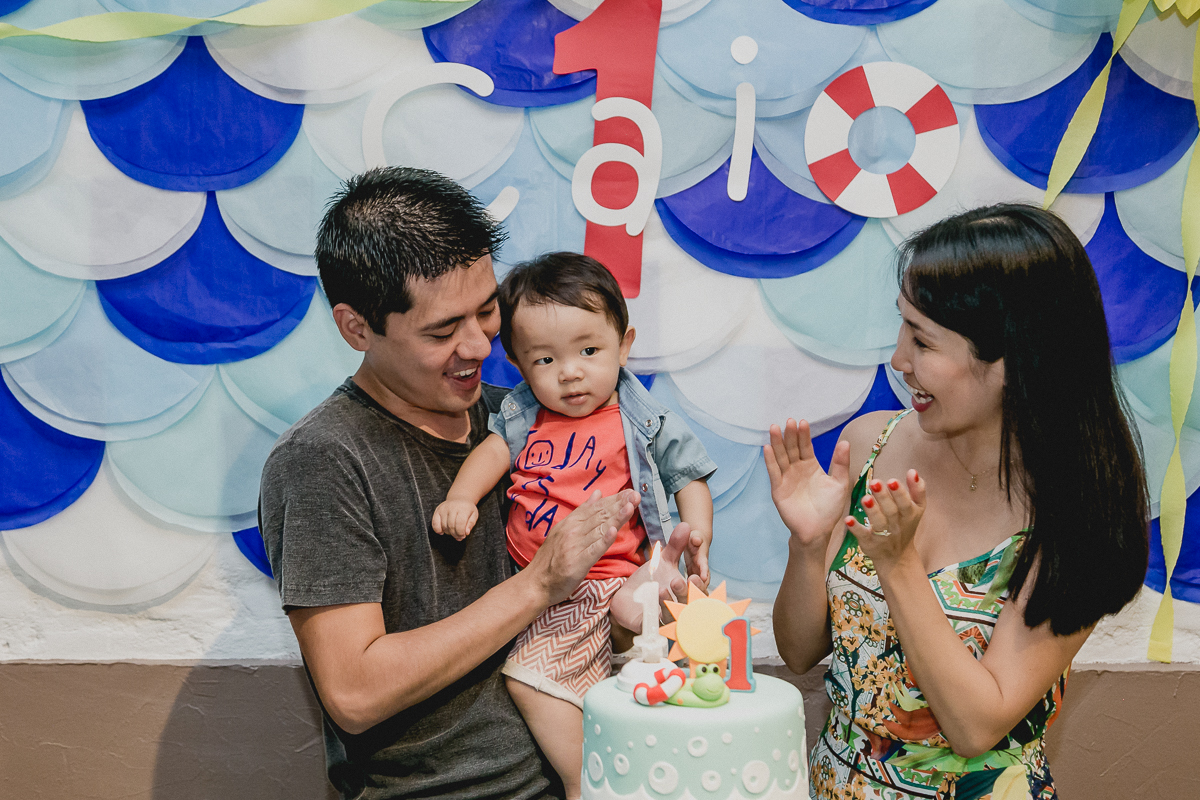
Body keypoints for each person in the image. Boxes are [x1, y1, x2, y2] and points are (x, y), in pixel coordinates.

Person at [258, 167, 696, 800]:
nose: (478, 346)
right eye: (442, 331)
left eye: (488, 311)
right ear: (356, 327)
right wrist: (541, 582)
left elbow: (596, 623)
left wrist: (644, 599)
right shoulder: (325, 460)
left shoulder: (527, 416)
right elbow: (355, 692)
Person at [766, 204, 1149, 800]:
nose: (899, 359)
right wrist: (808, 546)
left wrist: (899, 567)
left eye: (923, 340)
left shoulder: (1080, 517)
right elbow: (798, 652)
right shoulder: (871, 444)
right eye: (903, 327)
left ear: (1013, 359)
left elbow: (975, 726)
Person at [431, 252, 716, 798]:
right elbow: (491, 454)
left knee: (534, 676)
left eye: (589, 351)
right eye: (545, 360)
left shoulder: (641, 416)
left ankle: (584, 783)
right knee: (585, 682)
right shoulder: (522, 416)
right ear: (517, 363)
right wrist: (462, 498)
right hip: (547, 584)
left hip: (613, 571)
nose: (570, 372)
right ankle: (605, 763)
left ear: (624, 345)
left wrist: (698, 532)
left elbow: (689, 473)